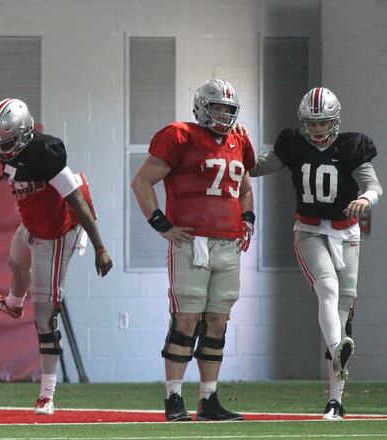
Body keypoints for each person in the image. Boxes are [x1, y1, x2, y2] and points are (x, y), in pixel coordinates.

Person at [0, 98, 113, 416]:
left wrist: (101, 248)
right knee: (15, 260)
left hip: (57, 234)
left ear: (24, 134)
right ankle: (12, 303)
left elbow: (77, 202)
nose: (2, 150)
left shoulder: (45, 153)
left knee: (44, 314)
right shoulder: (1, 147)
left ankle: (47, 395)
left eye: (7, 143)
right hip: (32, 225)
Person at [249, 87, 381, 420]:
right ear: (303, 122)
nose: (317, 130)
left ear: (334, 122)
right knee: (328, 288)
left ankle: (335, 401)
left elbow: (374, 186)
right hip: (309, 229)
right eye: (312, 123)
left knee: (343, 309)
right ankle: (339, 350)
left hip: (347, 231)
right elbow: (257, 167)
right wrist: (239, 146)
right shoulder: (292, 144)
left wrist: (365, 200)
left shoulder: (352, 146)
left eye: (323, 123)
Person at [130, 79, 254, 422]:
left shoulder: (239, 138)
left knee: (218, 321)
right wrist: (162, 224)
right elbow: (141, 181)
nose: (223, 115)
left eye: (229, 109)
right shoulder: (178, 135)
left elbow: (245, 187)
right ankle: (173, 398)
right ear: (201, 107)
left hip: (229, 243)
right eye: (217, 108)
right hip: (192, 243)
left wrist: (248, 218)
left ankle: (208, 399)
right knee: (186, 319)